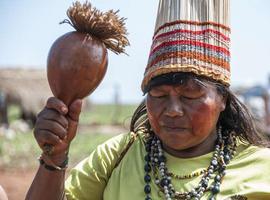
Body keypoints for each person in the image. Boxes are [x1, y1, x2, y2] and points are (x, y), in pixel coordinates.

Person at [26, 0, 270, 199]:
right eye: (159, 95)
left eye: (190, 96)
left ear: (222, 99)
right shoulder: (118, 155)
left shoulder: (262, 168)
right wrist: (55, 156)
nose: (173, 110)